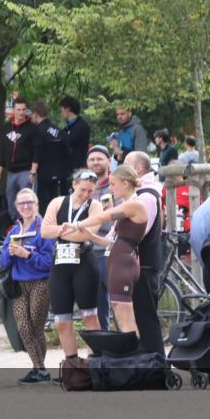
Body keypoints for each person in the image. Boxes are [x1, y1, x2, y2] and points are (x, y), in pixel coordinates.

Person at [63, 165, 148, 337]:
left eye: (113, 184)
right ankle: (133, 351)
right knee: (121, 317)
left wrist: (76, 224)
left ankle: (137, 353)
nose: (110, 188)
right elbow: (111, 241)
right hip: (117, 260)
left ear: (125, 183)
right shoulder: (127, 205)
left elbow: (103, 216)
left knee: (125, 319)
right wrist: (90, 236)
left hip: (122, 263)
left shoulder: (134, 204)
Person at [41, 169, 104, 362]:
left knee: (89, 317)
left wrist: (60, 231)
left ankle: (95, 361)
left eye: (90, 191)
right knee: (61, 320)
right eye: (83, 189)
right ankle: (72, 364)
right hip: (60, 263)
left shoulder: (95, 206)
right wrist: (71, 231)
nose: (86, 194)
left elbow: (88, 234)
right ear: (74, 184)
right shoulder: (57, 202)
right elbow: (44, 231)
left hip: (84, 262)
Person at [0, 187, 54, 383]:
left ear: (36, 204)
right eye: (21, 203)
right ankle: (40, 369)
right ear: (16, 207)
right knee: (23, 327)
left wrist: (28, 255)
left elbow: (49, 262)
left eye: (29, 202)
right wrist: (10, 253)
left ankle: (39, 370)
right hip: (19, 285)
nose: (26, 206)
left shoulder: (44, 229)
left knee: (36, 327)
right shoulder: (14, 231)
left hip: (40, 283)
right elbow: (2, 262)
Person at [123, 151, 167, 356]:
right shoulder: (141, 193)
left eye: (126, 163)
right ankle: (150, 360)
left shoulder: (147, 195)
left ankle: (157, 362)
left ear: (139, 168)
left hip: (144, 264)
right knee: (142, 315)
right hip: (140, 263)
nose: (121, 167)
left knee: (147, 317)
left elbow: (139, 231)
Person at [86, 145, 116, 331]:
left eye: (100, 159)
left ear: (109, 161)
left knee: (120, 303)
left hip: (110, 250)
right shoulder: (82, 188)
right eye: (92, 159)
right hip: (88, 252)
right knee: (97, 305)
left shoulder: (116, 185)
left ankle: (129, 341)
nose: (95, 162)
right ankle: (104, 342)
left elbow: (120, 218)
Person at [0, 97, 38, 219]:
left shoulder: (32, 128)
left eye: (23, 109)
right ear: (13, 110)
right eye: (18, 109)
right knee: (11, 203)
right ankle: (16, 224)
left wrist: (33, 172)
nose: (21, 112)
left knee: (27, 202)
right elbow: (3, 152)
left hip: (26, 171)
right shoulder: (7, 127)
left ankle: (30, 223)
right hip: (11, 172)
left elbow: (37, 151)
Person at [31, 101, 68, 213]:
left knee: (44, 204)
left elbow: (37, 151)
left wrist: (33, 172)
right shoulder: (58, 130)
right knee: (56, 201)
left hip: (44, 173)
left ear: (36, 114)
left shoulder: (39, 130)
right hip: (59, 172)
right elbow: (66, 150)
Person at [59, 96, 91, 173]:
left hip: (78, 169)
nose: (61, 113)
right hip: (66, 168)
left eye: (62, 110)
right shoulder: (67, 128)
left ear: (67, 109)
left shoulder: (81, 126)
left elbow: (68, 141)